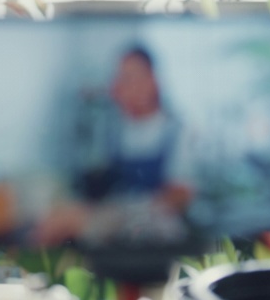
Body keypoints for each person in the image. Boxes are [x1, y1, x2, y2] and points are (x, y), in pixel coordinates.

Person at [33, 46, 194, 247]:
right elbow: (97, 183)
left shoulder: (177, 132)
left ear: (152, 81)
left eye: (127, 79)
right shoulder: (115, 129)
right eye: (118, 79)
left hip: (156, 229)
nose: (117, 88)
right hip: (113, 226)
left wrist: (120, 213)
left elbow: (179, 198)